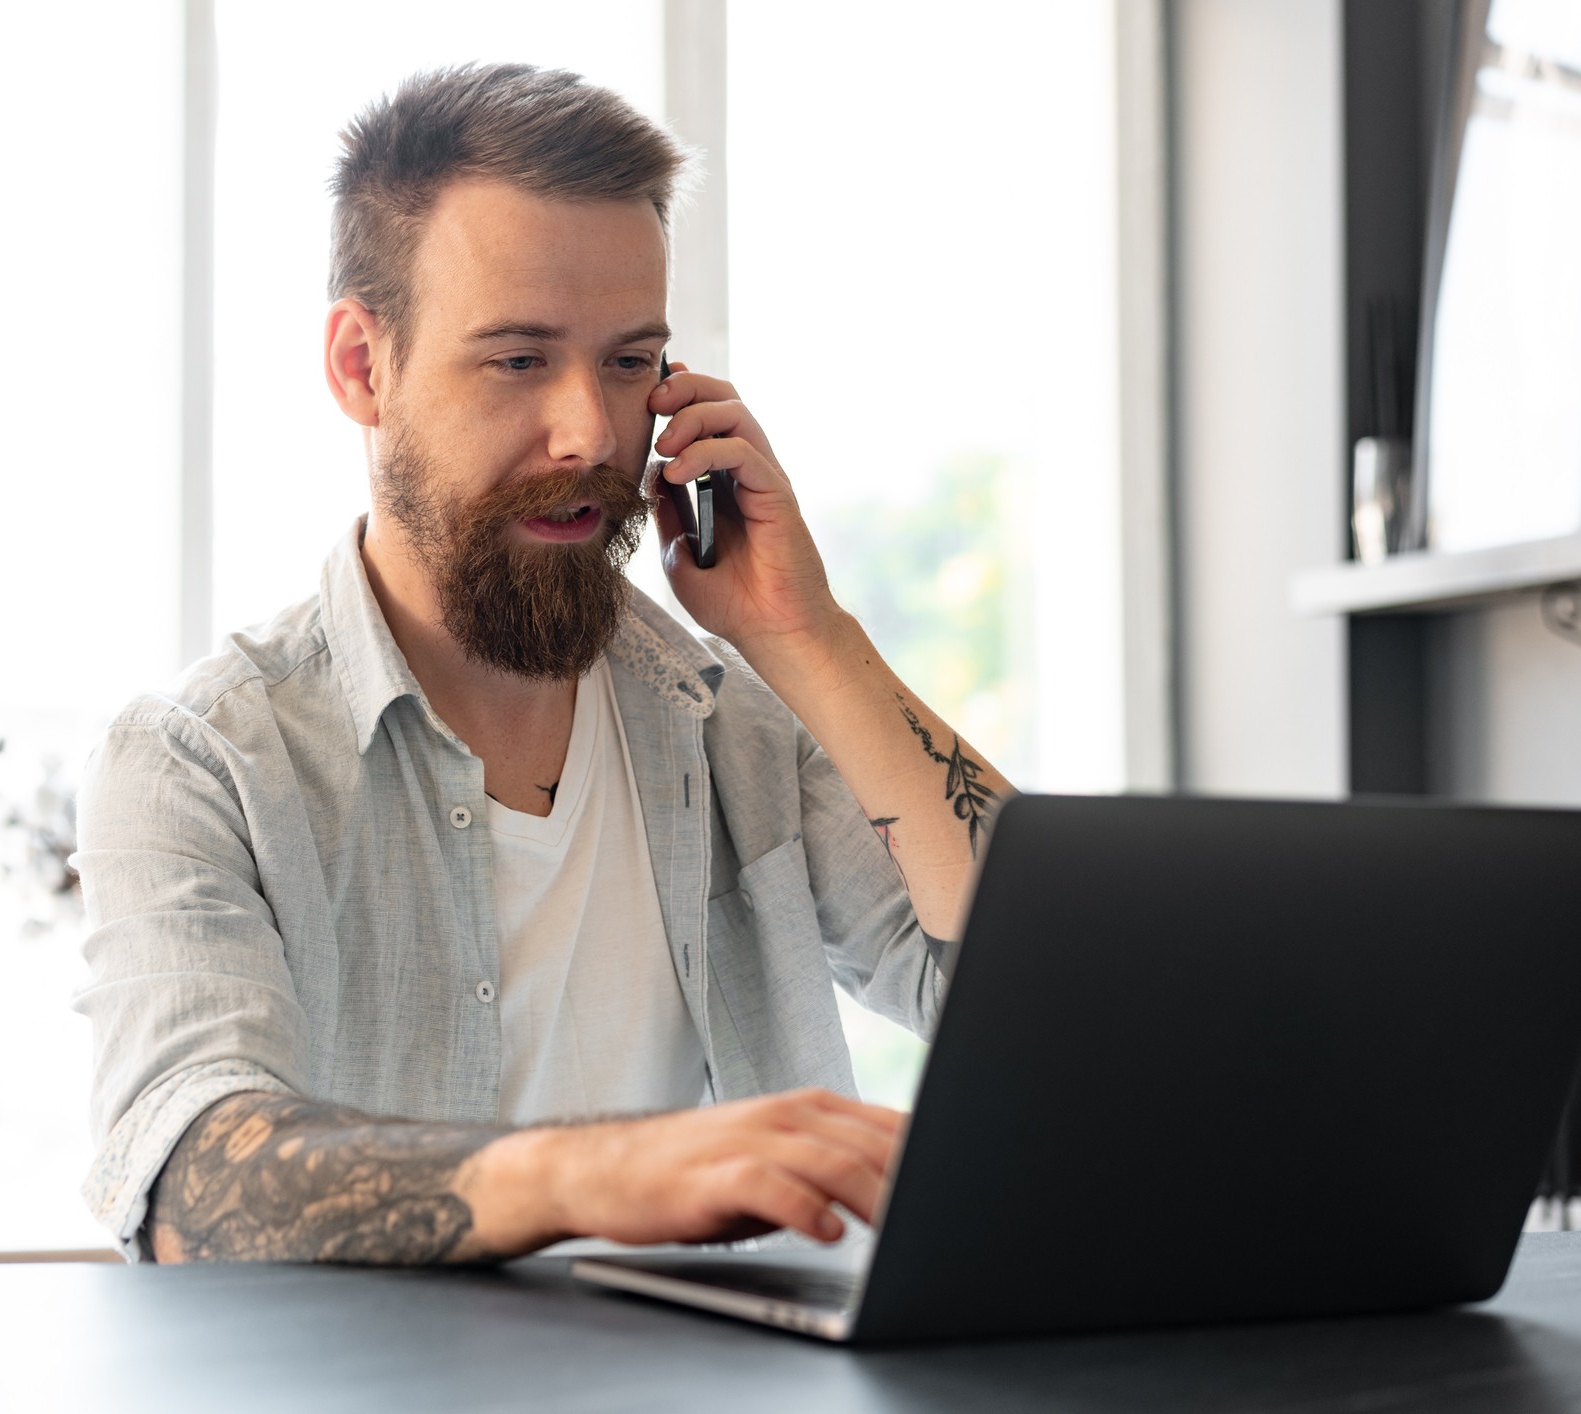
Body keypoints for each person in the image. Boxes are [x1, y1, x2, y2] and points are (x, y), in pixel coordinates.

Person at [74, 62, 1012, 1265]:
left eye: (630, 364)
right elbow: (194, 1179)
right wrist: (598, 1168)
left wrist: (805, 635)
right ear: (364, 366)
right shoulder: (200, 763)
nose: (589, 432)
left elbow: (1040, 1007)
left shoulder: (735, 715)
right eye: (519, 360)